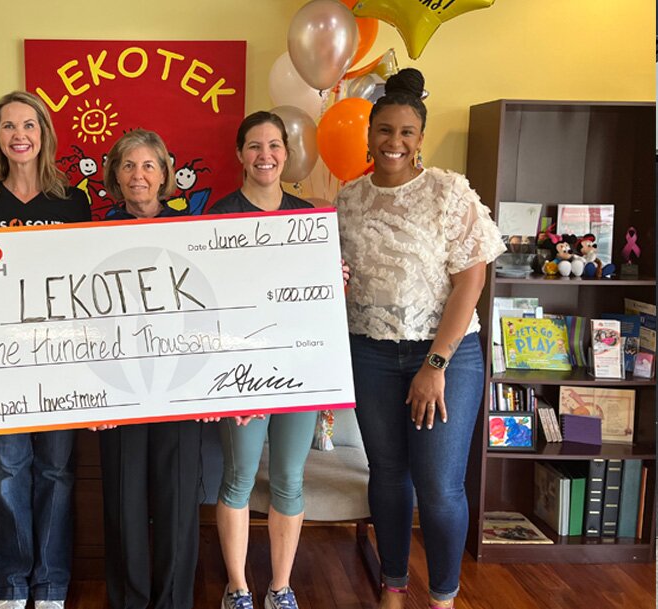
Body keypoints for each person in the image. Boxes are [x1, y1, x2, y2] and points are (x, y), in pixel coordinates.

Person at [334, 68, 504, 609]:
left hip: (448, 355)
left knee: (438, 486)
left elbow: (470, 280)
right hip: (371, 351)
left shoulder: (448, 191)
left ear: (421, 137)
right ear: (368, 135)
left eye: (406, 132)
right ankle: (393, 585)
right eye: (384, 130)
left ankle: (443, 597)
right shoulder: (346, 199)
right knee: (386, 473)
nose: (394, 142)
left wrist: (435, 364)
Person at [0, 90, 91, 609]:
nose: (18, 135)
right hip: (1, 363)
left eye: (28, 125)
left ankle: (51, 583)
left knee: (55, 472)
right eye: (7, 126)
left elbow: (89, 285)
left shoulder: (73, 203)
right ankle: (12, 583)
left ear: (43, 134)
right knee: (9, 472)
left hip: (59, 363)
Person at [208, 111, 316, 609]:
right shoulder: (218, 214)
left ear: (287, 152)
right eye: (254, 146)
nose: (265, 155)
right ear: (239, 154)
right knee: (239, 477)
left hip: (298, 370)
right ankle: (238, 588)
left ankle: (280, 588)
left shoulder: (309, 218)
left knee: (291, 479)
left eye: (274, 145)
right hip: (240, 372)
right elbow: (205, 300)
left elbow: (318, 303)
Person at [96, 128, 203, 609]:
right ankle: (129, 602)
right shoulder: (92, 235)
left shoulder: (195, 230)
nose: (138, 176)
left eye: (148, 166)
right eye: (128, 166)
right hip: (118, 388)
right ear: (115, 177)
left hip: (179, 385)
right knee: (124, 505)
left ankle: (172, 602)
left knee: (178, 503)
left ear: (165, 175)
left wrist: (212, 388)